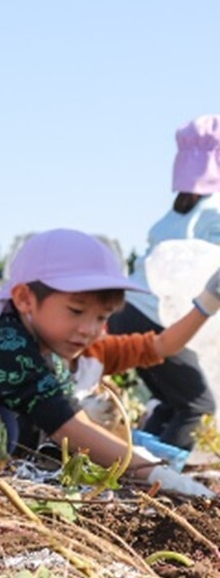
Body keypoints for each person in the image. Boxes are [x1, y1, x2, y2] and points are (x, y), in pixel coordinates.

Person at [0, 228, 219, 498]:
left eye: (101, 317)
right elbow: (70, 428)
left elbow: (157, 347)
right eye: (76, 311)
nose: (89, 329)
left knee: (13, 431)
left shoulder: (56, 352)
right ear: (24, 299)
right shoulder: (8, 345)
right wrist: (158, 475)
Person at [108, 115, 220, 453]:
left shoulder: (177, 212)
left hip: (126, 312)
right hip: (155, 319)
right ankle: (164, 481)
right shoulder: (214, 209)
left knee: (172, 402)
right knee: (199, 407)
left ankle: (139, 467)